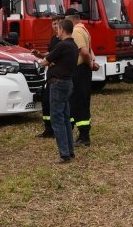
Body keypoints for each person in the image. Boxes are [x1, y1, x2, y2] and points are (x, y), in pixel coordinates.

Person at [38, 18, 79, 163]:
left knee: (57, 119)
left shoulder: (62, 45)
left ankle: (64, 154)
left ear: (62, 29)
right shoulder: (73, 45)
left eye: (58, 28)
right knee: (65, 118)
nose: (57, 31)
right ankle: (70, 150)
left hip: (58, 84)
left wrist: (45, 62)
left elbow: (45, 61)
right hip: (67, 83)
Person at [66, 8, 100, 147]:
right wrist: (92, 62)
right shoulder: (84, 29)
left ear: (70, 19)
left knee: (78, 101)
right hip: (84, 70)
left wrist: (90, 64)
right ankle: (82, 133)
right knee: (81, 101)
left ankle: (84, 136)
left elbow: (84, 52)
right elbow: (90, 50)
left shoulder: (76, 31)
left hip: (80, 70)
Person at [34, 16, 63, 138]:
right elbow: (50, 54)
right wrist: (40, 54)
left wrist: (47, 62)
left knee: (57, 104)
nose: (55, 26)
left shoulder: (64, 40)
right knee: (46, 102)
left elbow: (59, 57)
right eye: (53, 24)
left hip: (58, 77)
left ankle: (58, 130)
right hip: (49, 76)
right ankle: (48, 129)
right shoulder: (53, 39)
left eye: (57, 23)